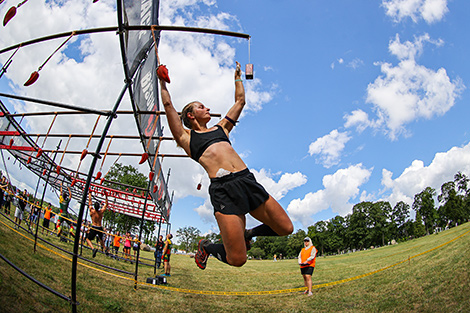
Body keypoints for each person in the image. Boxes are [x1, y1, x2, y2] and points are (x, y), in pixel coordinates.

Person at [158, 62, 293, 269]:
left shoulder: (222, 128)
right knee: (238, 259)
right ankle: (208, 248)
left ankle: (249, 233)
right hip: (223, 191)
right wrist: (163, 82)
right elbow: (168, 108)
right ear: (191, 115)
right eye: (202, 106)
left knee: (286, 228)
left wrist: (237, 77)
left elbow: (240, 101)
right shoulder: (187, 138)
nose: (208, 108)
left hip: (246, 181)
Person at [85, 193, 109, 258]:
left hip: (94, 226)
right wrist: (106, 196)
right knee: (101, 240)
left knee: (87, 239)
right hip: (100, 227)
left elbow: (90, 202)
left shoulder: (92, 211)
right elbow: (106, 204)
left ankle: (93, 248)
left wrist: (90, 194)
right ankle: (105, 250)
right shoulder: (101, 212)